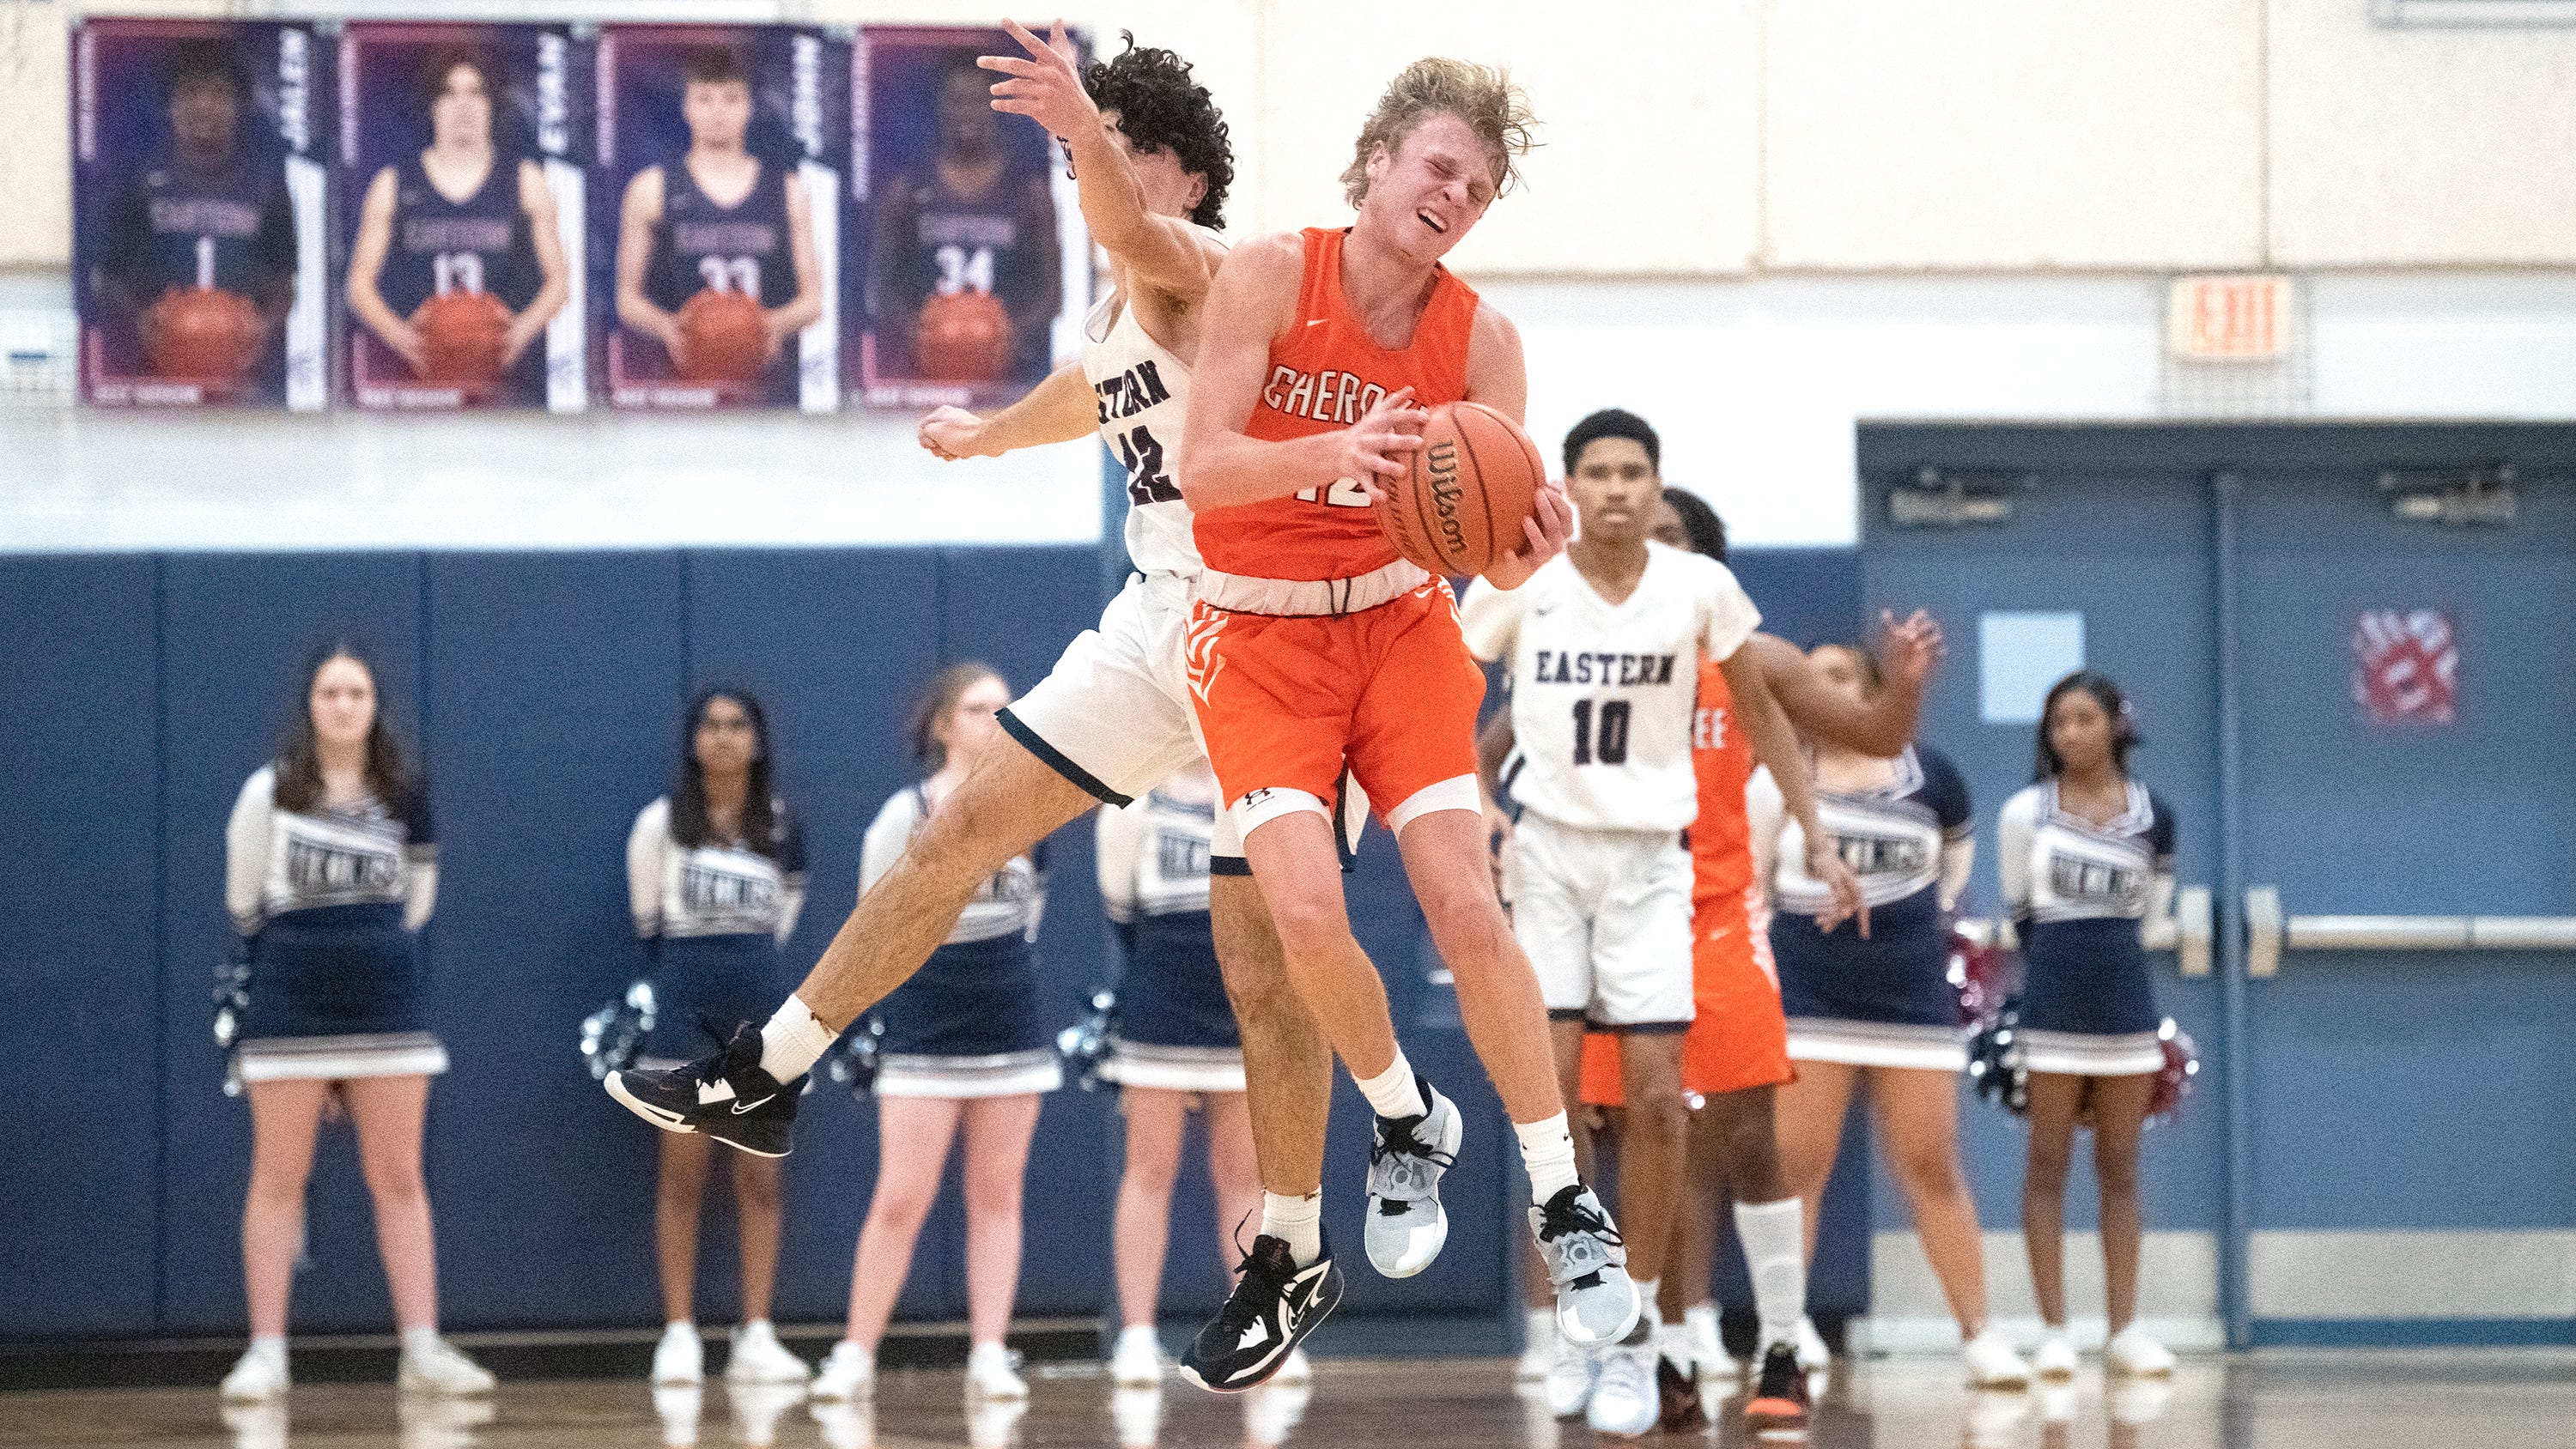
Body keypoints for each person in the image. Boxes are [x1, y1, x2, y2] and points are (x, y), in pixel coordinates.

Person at [605, 36, 1349, 1385]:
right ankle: (771, 1069)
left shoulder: (1215, 265)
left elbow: (1142, 238)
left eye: (1103, 150)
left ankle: (1288, 1253)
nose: (1081, 178)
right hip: (1155, 613)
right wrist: (992, 433)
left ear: (1173, 165)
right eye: (1073, 155)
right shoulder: (1127, 295)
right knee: (953, 833)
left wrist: (1089, 130)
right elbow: (1098, 389)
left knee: (1259, 961)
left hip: (1269, 628)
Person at [1169, 55, 1676, 1391]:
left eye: (1481, 186)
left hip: (1398, 627)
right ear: (1380, 161)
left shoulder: (1485, 343)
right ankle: (1409, 1118)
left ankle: (1566, 1200)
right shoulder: (1272, 274)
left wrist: (1534, 540)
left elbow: (1485, 556)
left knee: (1464, 902)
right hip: (1257, 628)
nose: (1455, 194)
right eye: (1438, 166)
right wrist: (1331, 455)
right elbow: (1201, 467)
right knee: (1306, 923)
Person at [1495, 478, 1939, 1433]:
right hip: (1605, 912)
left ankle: (1780, 1339)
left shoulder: (1750, 655)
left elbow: (1870, 733)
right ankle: (1614, 1333)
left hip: (1716, 916)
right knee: (1581, 1132)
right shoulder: (1575, 642)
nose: (1638, 552)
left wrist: (1901, 687)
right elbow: (1487, 747)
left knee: (1745, 1137)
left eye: (1664, 537)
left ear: (1700, 563)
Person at [1755, 644, 2032, 1391]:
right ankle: (1786, 1333)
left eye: (1842, 677)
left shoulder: (1935, 779)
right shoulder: (1777, 777)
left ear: (1874, 692)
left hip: (1910, 999)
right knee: (1798, 1166)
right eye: (1812, 680)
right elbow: (1753, 892)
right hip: (1807, 996)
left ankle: (1979, 1334)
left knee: (1932, 1165)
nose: (1826, 691)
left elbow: (1951, 882)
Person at [217, 646, 491, 1403]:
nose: (343, 704)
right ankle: (266, 1352)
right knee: (279, 1177)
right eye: (330, 691)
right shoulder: (267, 792)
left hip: (385, 1003)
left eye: (357, 692)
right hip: (288, 1002)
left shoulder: (405, 792)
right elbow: (244, 904)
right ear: (309, 705)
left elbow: (418, 899)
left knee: (400, 1177)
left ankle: (422, 1347)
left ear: (375, 706)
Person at [811, 664, 1057, 1404]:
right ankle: (856, 1354)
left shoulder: (1033, 808)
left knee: (998, 1196)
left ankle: (989, 1352)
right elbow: (871, 923)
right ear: (943, 723)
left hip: (1009, 1025)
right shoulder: (903, 813)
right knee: (901, 1195)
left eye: (1005, 709)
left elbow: (1030, 917)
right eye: (978, 708)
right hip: (922, 1026)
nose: (994, 720)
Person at [627, 689, 811, 1389]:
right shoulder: (660, 826)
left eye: (739, 725)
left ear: (758, 742)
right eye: (711, 724)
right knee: (682, 1174)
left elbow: (784, 920)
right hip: (683, 1013)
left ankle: (756, 1333)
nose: (725, 737)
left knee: (760, 1176)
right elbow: (648, 923)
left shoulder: (784, 826)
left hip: (761, 1020)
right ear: (693, 740)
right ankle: (678, 1333)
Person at [2000, 671, 2179, 1380]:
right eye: (2057, 723)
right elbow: (2018, 912)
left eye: (2083, 719)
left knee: (2121, 1172)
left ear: (2115, 725)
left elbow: (2155, 917)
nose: (2069, 734)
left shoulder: (2155, 814)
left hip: (2127, 1010)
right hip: (2052, 1005)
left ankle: (2125, 1329)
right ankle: (2052, 1331)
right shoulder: (2025, 813)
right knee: (2045, 1166)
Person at [1094, 764, 1283, 1388]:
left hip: (1240, 1007)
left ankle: (1255, 1333)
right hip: (1159, 1009)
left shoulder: (1253, 792)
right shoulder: (1134, 802)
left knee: (1245, 1181)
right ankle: (1137, 1336)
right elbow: (1120, 909)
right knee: (1149, 1173)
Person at [345, 46, 570, 391]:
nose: (463, 105)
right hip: (419, 383)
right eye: (449, 93)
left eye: (475, 93)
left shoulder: (527, 181)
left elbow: (559, 281)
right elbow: (359, 285)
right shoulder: (393, 184)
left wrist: (520, 332)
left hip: (506, 385)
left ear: (491, 105)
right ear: (432, 107)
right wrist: (404, 338)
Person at [614, 46, 824, 387]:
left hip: (765, 381)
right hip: (680, 381)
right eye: (705, 99)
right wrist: (667, 327)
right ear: (687, 107)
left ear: (748, 108)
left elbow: (813, 301)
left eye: (730, 99)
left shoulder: (787, 189)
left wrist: (768, 326)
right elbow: (627, 299)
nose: (718, 111)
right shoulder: (649, 189)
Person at [99, 38, 298, 385]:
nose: (204, 105)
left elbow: (284, 282)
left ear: (240, 106)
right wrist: (145, 320)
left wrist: (261, 331)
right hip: (155, 372)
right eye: (191, 93)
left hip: (244, 376)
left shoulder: (268, 184)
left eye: (219, 93)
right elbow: (111, 276)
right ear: (170, 105)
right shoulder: (139, 179)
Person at [867, 50, 1062, 381]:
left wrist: (1008, 333)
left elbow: (1051, 294)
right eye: (955, 101)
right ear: (939, 109)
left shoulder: (1029, 192)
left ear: (998, 108)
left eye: (977, 101)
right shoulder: (906, 188)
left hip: (1007, 375)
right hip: (923, 373)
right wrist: (923, 331)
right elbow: (880, 289)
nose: (965, 113)